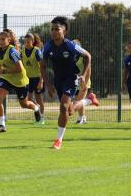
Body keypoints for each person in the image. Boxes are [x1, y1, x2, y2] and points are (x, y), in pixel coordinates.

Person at [40, 16, 99, 150]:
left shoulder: (70, 45)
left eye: (57, 29)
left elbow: (88, 56)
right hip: (58, 80)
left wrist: (83, 76)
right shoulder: (48, 46)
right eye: (52, 29)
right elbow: (42, 66)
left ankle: (58, 140)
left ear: (64, 31)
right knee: (69, 111)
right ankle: (89, 100)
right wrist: (48, 84)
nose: (54, 32)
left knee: (63, 107)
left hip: (70, 79)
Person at [0, 29, 41, 133]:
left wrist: (3, 71)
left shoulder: (12, 51)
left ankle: (36, 108)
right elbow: (0, 63)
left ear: (9, 40)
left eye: (3, 39)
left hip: (20, 80)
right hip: (7, 79)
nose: (0, 41)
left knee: (24, 104)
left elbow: (18, 68)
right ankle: (1, 124)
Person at [21, 33, 45, 124]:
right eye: (25, 42)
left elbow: (42, 66)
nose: (26, 43)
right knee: (28, 99)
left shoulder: (36, 51)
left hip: (37, 78)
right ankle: (37, 110)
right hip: (28, 79)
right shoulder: (22, 51)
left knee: (39, 99)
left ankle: (42, 119)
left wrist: (41, 81)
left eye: (28, 42)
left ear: (32, 41)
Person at [72, 39, 92, 125]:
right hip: (75, 82)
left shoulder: (83, 56)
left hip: (84, 82)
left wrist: (85, 82)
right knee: (79, 101)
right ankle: (82, 118)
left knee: (77, 102)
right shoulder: (71, 56)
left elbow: (88, 70)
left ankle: (90, 100)